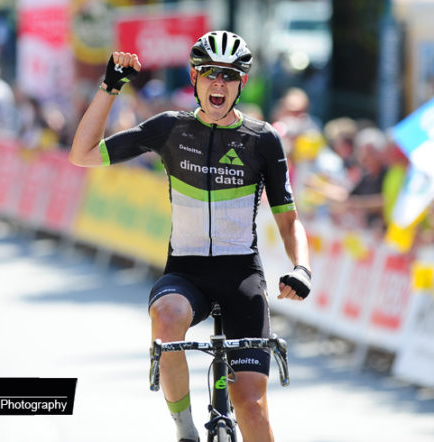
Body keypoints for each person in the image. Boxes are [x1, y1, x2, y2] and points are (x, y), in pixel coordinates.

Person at [70, 31, 311, 442]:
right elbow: (82, 154)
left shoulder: (263, 139)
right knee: (166, 317)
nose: (219, 83)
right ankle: (185, 431)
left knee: (252, 408)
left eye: (229, 75)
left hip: (241, 276)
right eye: (210, 73)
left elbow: (289, 221)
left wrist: (301, 267)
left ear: (242, 83)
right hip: (186, 272)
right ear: (194, 77)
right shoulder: (170, 128)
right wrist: (110, 87)